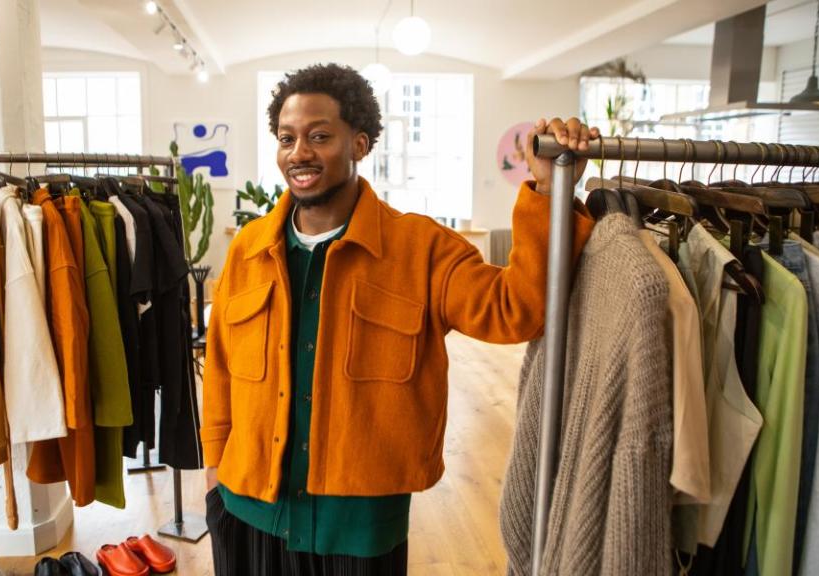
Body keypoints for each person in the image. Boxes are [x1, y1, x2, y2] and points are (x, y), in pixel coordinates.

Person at [201, 62, 597, 575]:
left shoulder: (420, 249)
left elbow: (515, 310)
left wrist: (548, 194)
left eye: (319, 136)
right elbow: (222, 370)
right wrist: (213, 477)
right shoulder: (249, 249)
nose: (299, 153)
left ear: (360, 144)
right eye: (286, 138)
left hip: (359, 533)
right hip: (246, 510)